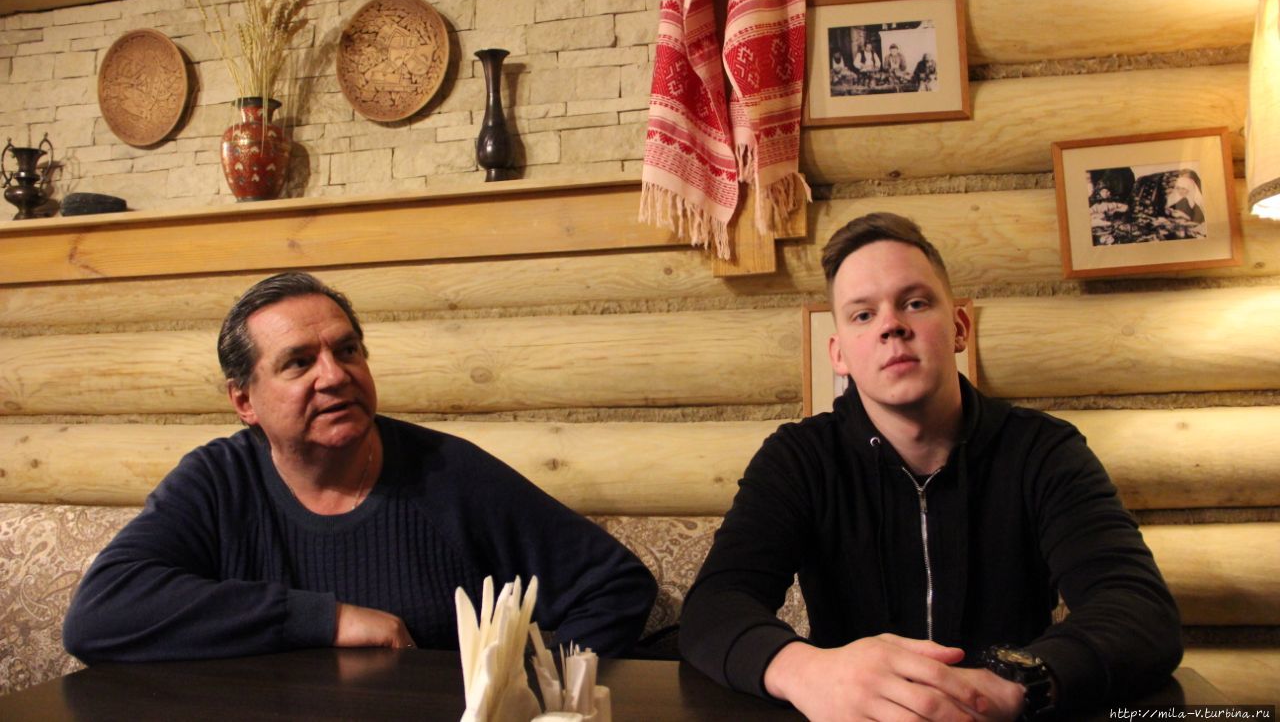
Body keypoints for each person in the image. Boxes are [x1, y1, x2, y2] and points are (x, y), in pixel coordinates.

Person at [679, 213, 1181, 720]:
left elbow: (1138, 608)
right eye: (862, 315)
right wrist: (809, 671)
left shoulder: (1043, 451)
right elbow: (715, 605)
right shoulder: (799, 459)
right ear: (839, 354)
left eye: (915, 303)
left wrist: (1010, 685)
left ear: (959, 328)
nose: (891, 325)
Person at [63, 272, 657, 663]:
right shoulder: (219, 481)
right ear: (245, 402)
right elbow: (99, 616)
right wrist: (328, 620)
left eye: (347, 350)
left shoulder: (447, 472)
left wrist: (529, 695)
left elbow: (614, 587)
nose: (335, 375)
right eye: (299, 362)